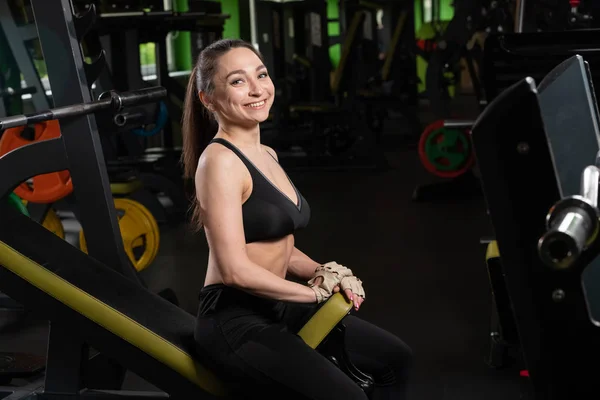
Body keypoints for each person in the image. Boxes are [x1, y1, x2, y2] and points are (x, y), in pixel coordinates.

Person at [180, 38, 413, 400]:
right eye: (238, 81)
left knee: (395, 359)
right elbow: (234, 271)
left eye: (261, 74)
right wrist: (313, 293)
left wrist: (330, 272)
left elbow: (279, 249)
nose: (258, 89)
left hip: (277, 305)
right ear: (208, 99)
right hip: (234, 321)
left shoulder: (266, 153)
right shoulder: (219, 161)